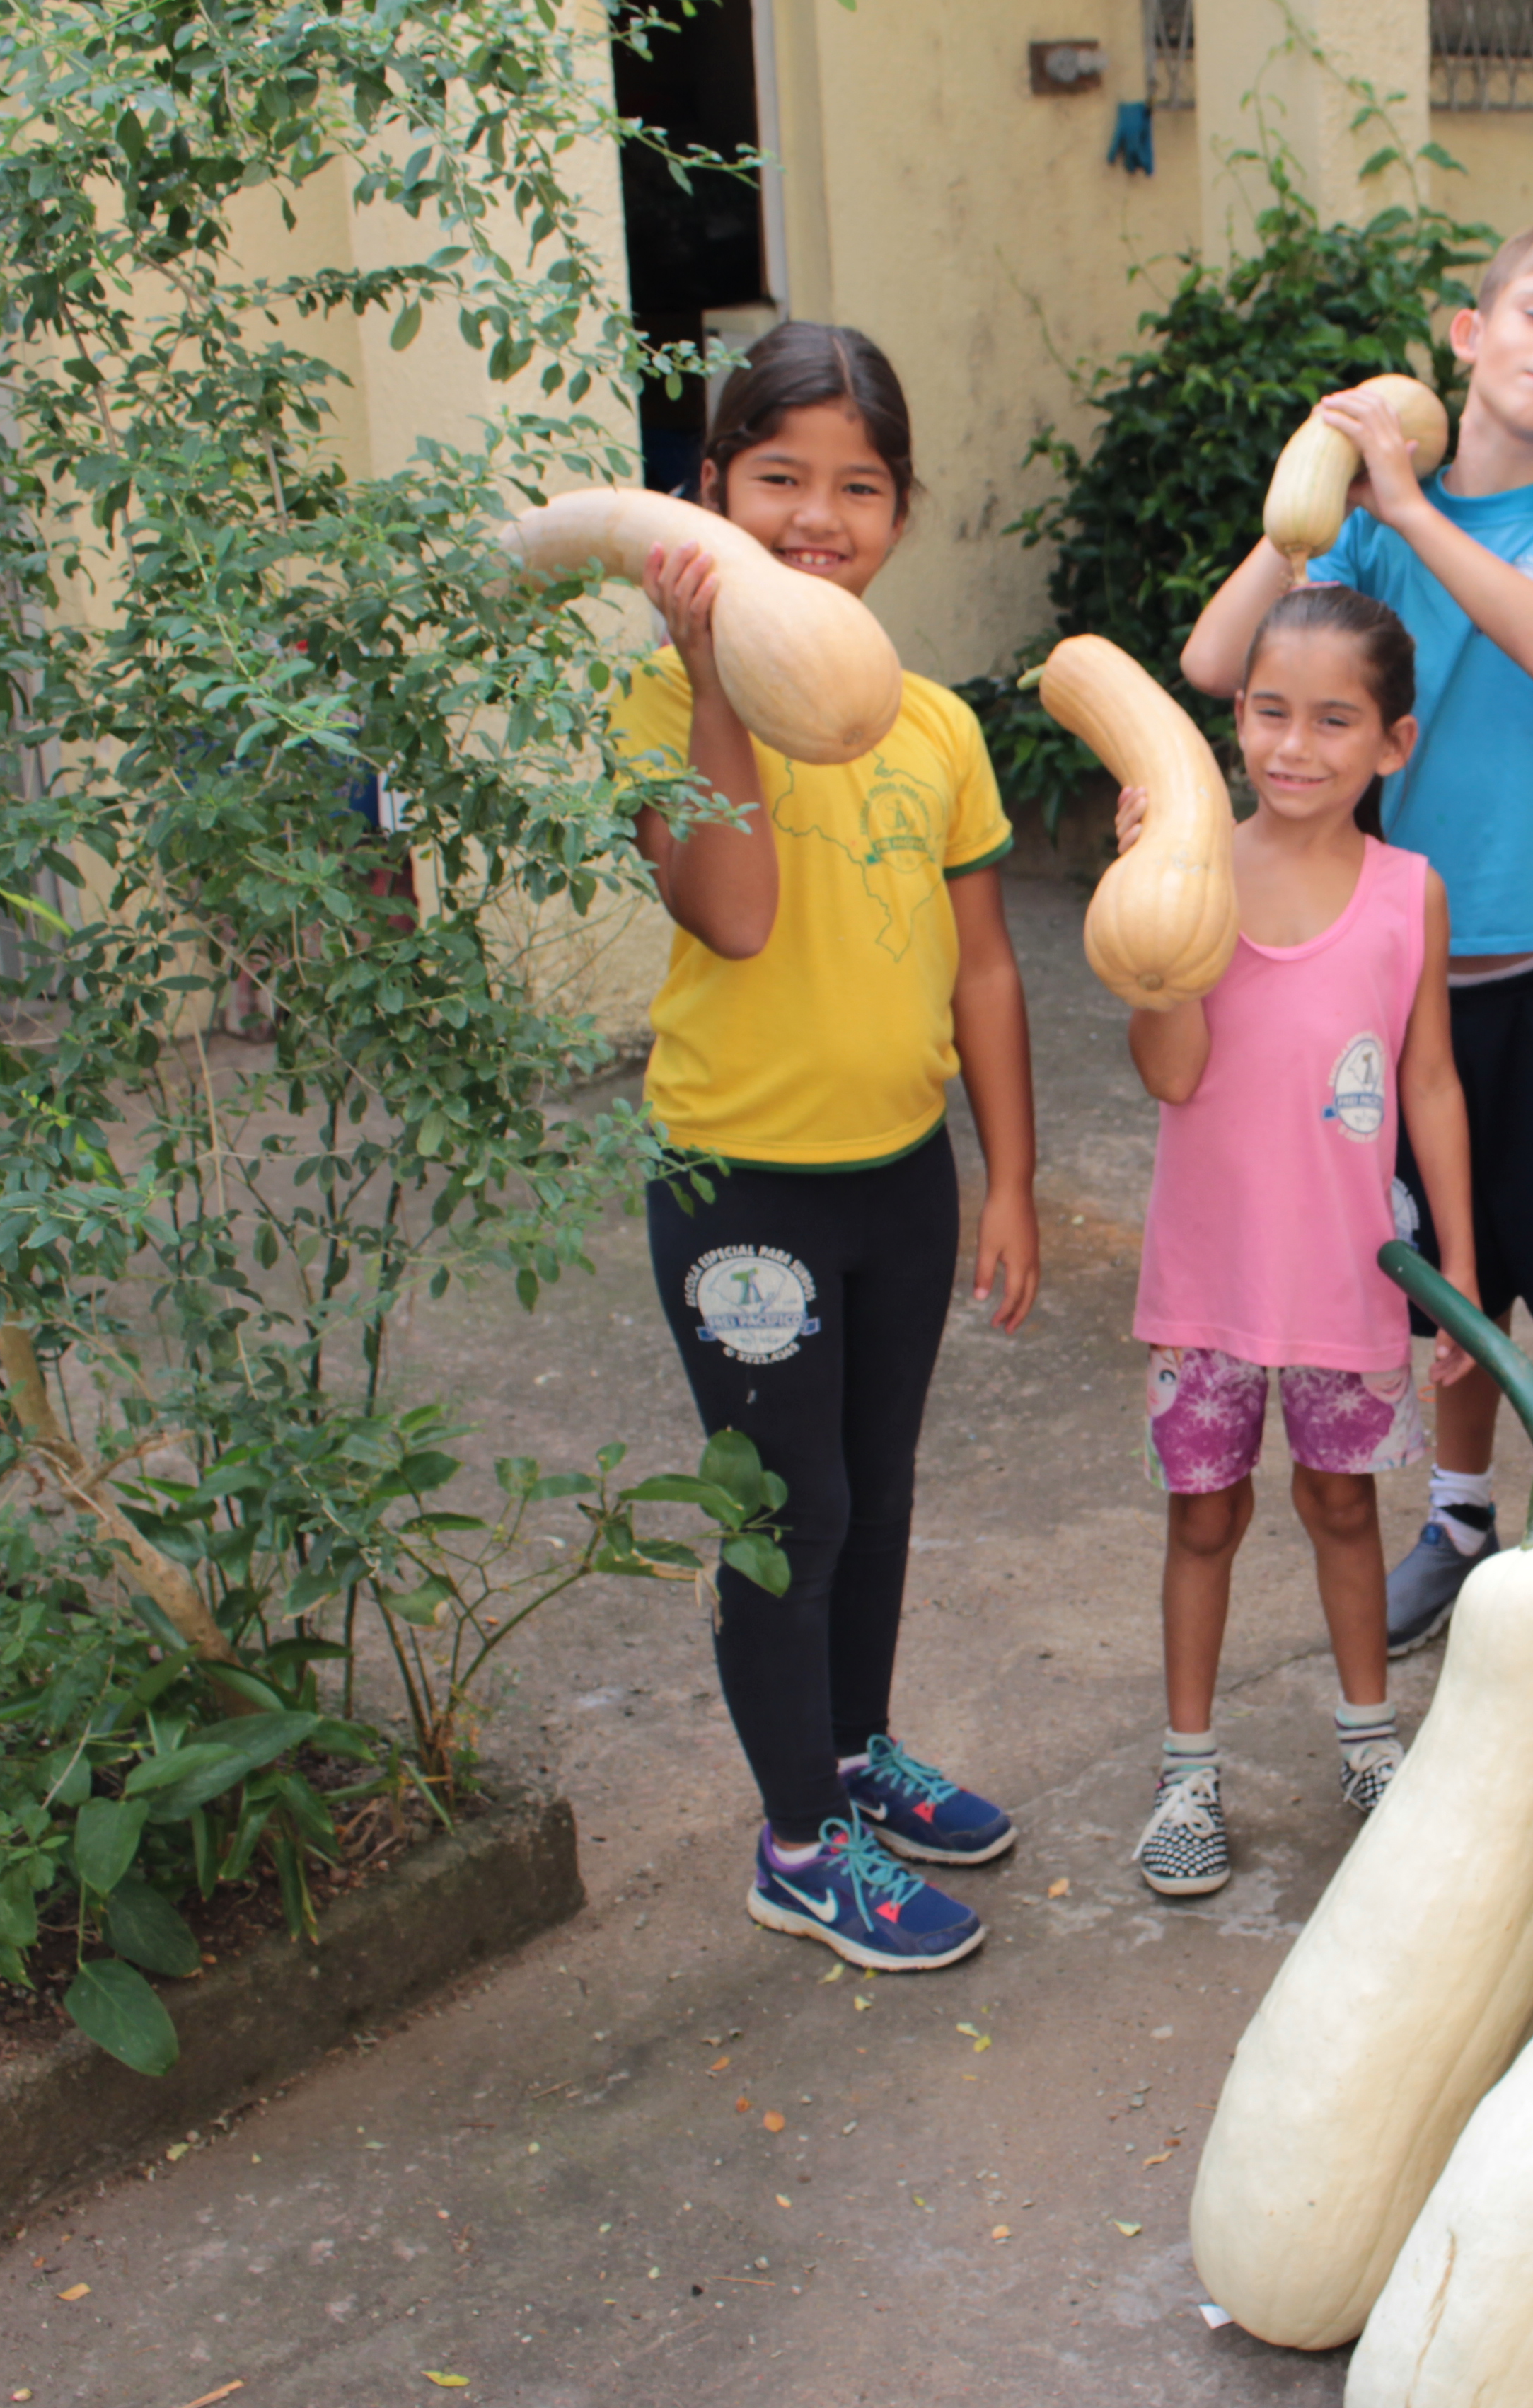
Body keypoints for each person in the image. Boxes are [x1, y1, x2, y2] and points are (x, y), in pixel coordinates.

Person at [1179, 219, 1533, 1654]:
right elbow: (1220, 667)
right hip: (1392, 983)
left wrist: (1407, 510)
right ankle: (1461, 1522)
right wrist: (1317, 502)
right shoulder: (1359, 522)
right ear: (1466, 337)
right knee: (1457, 1287)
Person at [617, 323, 1041, 1971]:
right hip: (743, 1193)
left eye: (857, 484)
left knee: (870, 1496)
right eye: (777, 474)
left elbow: (988, 963)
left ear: (899, 511)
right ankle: (797, 1844)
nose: (818, 513)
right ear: (710, 490)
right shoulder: (659, 699)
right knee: (784, 1513)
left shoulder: (932, 723)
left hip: (898, 1178)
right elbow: (728, 908)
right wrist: (719, 666)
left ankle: (852, 1761)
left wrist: (1006, 1171)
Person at [1122, 588, 1479, 1898]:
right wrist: (1149, 920)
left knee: (1344, 1507)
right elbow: (1168, 1074)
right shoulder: (1190, 866)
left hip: (1347, 1276)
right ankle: (1186, 1774)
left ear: (1392, 744)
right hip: (1206, 1280)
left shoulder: (1408, 894)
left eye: (1335, 721)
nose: (1294, 746)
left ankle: (1368, 1744)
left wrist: (1462, 1270)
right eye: (1270, 712)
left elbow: (1430, 1083)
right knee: (1201, 1520)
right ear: (1234, 719)